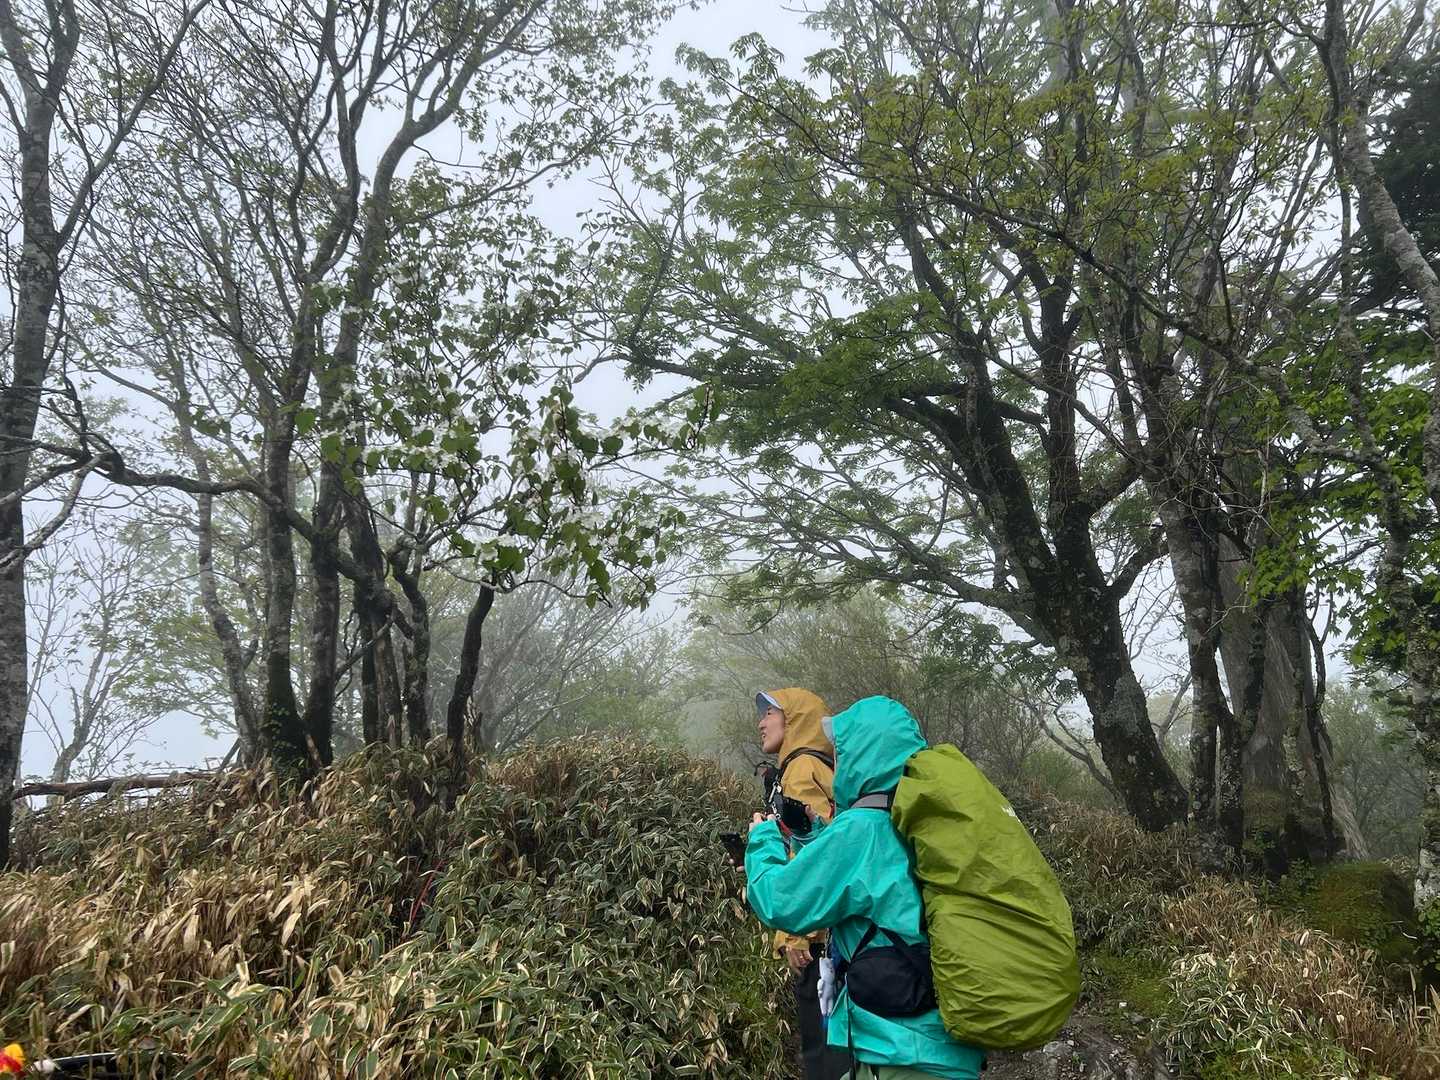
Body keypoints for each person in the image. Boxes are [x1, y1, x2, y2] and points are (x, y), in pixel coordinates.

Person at [744, 697, 987, 1080]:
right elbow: (875, 881)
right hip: (944, 1043)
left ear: (862, 755)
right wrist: (813, 836)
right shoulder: (914, 821)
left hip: (903, 1050)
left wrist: (763, 840)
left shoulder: (862, 829)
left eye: (841, 752)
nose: (836, 763)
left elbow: (780, 901)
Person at [755, 688, 852, 1080]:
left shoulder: (800, 769)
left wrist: (799, 933)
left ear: (794, 719)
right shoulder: (820, 766)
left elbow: (813, 850)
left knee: (822, 1055)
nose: (761, 723)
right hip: (832, 935)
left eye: (769, 713)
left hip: (816, 942)